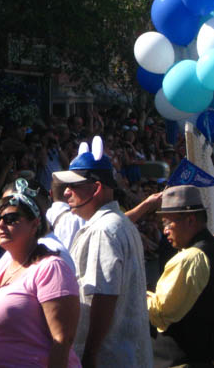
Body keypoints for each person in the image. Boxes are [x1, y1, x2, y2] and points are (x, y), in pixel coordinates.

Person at [0, 182, 81, 367]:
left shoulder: (51, 267)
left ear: (34, 224)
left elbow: (62, 341)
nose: (0, 225)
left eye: (11, 218)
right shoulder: (6, 265)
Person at [53, 137, 153, 368]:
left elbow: (103, 295)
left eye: (74, 186)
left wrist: (90, 354)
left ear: (96, 188)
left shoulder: (104, 230)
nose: (66, 193)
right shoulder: (117, 224)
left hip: (108, 357)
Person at [147, 184, 214, 367]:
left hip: (187, 360)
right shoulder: (211, 246)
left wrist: (138, 295)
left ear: (191, 220)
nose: (165, 230)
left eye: (168, 222)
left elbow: (162, 313)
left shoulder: (190, 257)